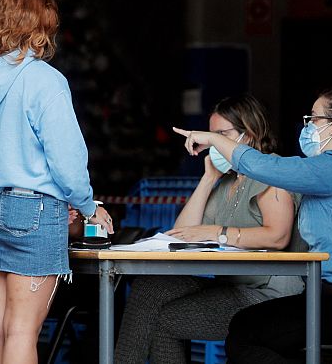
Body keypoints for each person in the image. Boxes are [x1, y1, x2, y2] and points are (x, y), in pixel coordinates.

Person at [174, 87, 332, 363]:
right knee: (255, 330)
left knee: (246, 333)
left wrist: (212, 139)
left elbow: (265, 168)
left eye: (313, 118)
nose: (307, 125)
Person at [0, 0, 113, 364]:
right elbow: (66, 159)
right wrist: (88, 206)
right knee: (23, 334)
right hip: (35, 213)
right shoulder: (45, 79)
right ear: (43, 26)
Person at [114, 94, 305, 364]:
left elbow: (278, 235)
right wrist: (207, 179)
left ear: (247, 136)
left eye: (220, 135)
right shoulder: (226, 182)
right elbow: (180, 235)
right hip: (231, 283)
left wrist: (217, 232)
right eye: (210, 134)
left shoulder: (270, 171)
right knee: (150, 286)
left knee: (167, 320)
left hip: (269, 293)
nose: (210, 142)